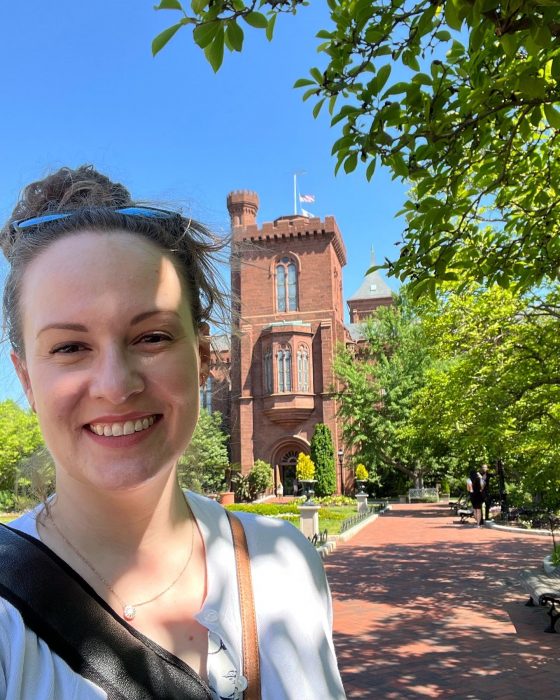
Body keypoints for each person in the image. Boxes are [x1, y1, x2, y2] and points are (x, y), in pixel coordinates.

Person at [0, 165, 346, 699]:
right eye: (70, 347)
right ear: (26, 376)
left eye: (152, 336)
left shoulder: (286, 566)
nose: (116, 386)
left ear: (203, 357)